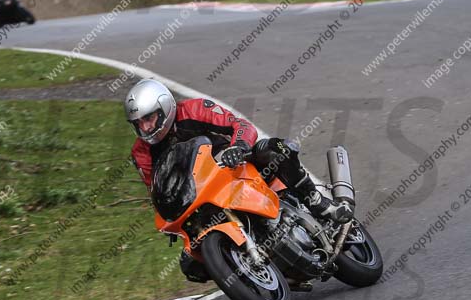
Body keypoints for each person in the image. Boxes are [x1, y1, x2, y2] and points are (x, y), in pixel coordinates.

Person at [125, 78, 353, 224]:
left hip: (235, 164)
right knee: (192, 265)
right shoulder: (141, 152)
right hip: (200, 193)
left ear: (164, 108)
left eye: (149, 118)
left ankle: (315, 200)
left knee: (276, 150)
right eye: (138, 122)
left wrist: (239, 147)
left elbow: (240, 125)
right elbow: (155, 189)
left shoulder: (194, 110)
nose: (145, 127)